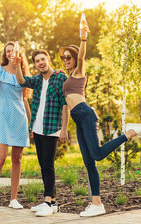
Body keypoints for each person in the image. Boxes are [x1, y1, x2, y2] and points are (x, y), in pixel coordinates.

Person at [59, 22, 141, 217]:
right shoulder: (68, 77)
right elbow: (65, 105)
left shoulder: (79, 72)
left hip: (85, 114)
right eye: (63, 58)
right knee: (90, 163)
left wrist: (83, 38)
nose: (65, 60)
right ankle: (97, 204)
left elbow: (82, 56)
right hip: (79, 119)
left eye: (68, 57)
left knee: (96, 154)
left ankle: (130, 132)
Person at [13, 49, 69, 217]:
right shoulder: (37, 80)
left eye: (42, 59)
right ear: (35, 64)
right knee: (43, 165)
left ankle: (47, 201)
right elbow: (22, 80)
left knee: (49, 165)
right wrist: (17, 65)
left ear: (48, 59)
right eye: (37, 61)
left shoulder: (60, 78)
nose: (40, 63)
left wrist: (64, 129)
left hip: (52, 128)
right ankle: (52, 203)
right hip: (37, 128)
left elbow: (65, 105)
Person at [0, 41, 32, 213]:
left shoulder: (22, 73)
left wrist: (30, 122)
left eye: (14, 51)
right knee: (1, 158)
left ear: (19, 54)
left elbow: (24, 99)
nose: (11, 53)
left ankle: (13, 199)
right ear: (5, 54)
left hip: (20, 119)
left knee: (17, 159)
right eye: (8, 51)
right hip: (4, 116)